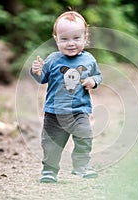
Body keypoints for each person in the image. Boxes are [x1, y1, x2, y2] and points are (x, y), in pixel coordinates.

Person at [30, 10, 102, 183]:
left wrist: (93, 80)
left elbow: (98, 75)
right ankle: (49, 170)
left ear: (85, 37)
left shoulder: (89, 60)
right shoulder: (53, 60)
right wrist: (36, 71)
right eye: (64, 39)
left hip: (79, 111)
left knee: (85, 137)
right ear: (56, 39)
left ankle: (81, 166)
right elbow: (42, 79)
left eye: (76, 38)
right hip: (54, 112)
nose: (71, 44)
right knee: (51, 143)